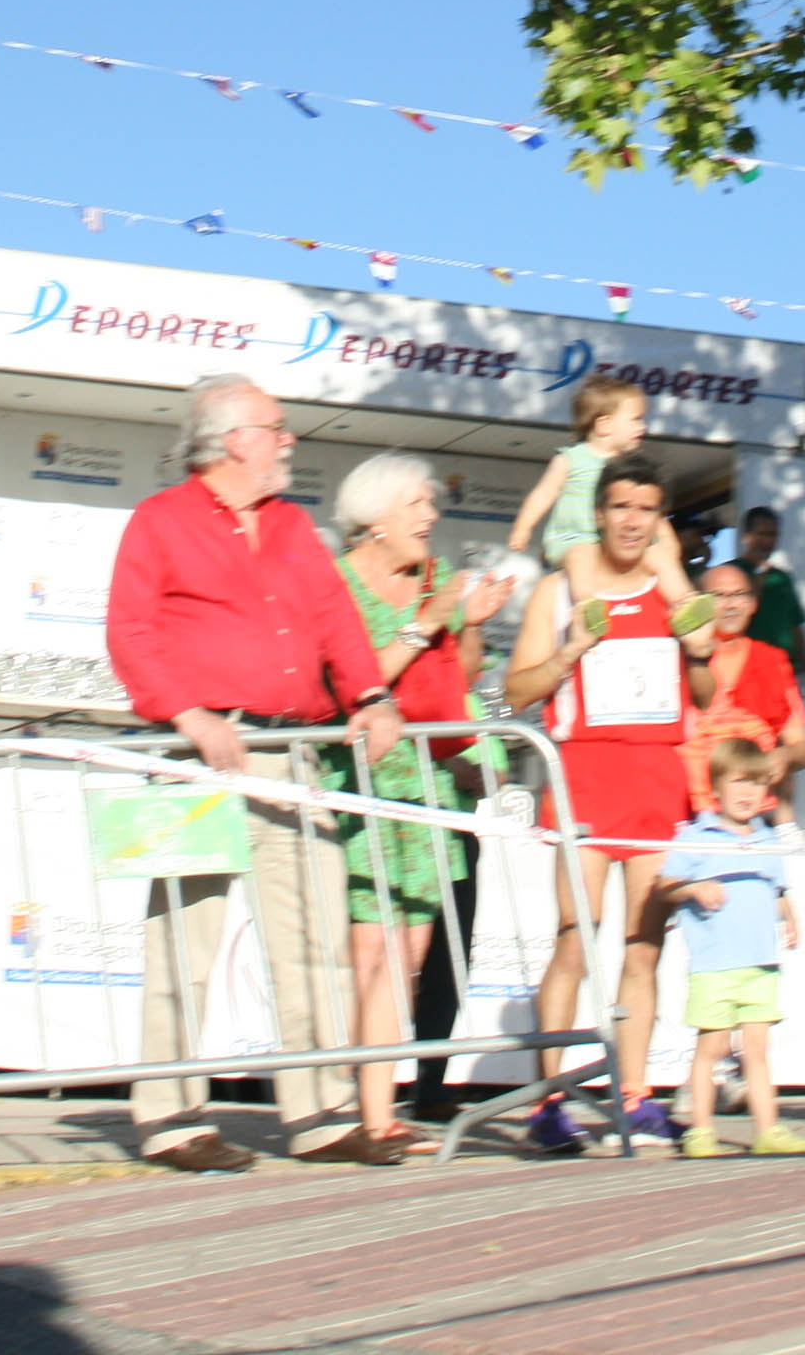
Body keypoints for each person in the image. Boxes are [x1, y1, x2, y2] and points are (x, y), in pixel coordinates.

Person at [103, 375, 408, 1172]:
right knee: (183, 940)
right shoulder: (159, 520)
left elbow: (336, 619)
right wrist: (188, 715)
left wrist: (372, 694)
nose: (288, 440)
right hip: (197, 754)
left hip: (295, 750)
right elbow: (130, 631)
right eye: (277, 427)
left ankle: (324, 1113)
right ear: (234, 438)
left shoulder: (294, 526)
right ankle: (171, 1118)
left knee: (312, 935)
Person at [502, 457, 704, 1153]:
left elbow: (706, 684)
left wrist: (701, 647)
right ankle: (548, 1104)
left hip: (656, 790)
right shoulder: (560, 591)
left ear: (658, 520)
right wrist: (569, 653)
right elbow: (519, 691)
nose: (631, 521)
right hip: (583, 786)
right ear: (598, 512)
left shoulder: (676, 596)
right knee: (574, 946)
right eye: (620, 507)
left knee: (643, 953)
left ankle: (636, 1096)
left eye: (646, 509)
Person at [326, 452, 508, 1152]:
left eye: (431, 505)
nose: (431, 517)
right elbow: (359, 679)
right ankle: (339, 1107)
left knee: (407, 955)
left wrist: (468, 622)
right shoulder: (337, 582)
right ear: (374, 521)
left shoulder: (437, 580)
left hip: (427, 783)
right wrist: (428, 617)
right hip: (360, 780)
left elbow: (457, 679)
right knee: (365, 950)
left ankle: (380, 1115)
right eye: (415, 506)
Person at [662, 736, 805, 1157]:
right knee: (712, 1048)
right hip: (715, 965)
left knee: (757, 1052)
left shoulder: (766, 841)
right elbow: (663, 887)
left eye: (756, 784)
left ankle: (768, 1130)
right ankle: (701, 1130)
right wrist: (694, 888)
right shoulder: (696, 836)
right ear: (717, 787)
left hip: (761, 964)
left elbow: (777, 889)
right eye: (738, 783)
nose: (747, 794)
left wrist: (791, 918)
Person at [511, 376, 696, 615]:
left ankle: (686, 605)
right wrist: (523, 527)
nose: (643, 428)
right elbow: (544, 494)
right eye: (635, 420)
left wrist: (667, 541)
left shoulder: (632, 469)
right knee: (582, 556)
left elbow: (649, 510)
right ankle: (588, 610)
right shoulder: (572, 459)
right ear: (605, 425)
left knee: (660, 556)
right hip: (575, 538)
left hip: (617, 543)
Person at [685, 560, 805, 792]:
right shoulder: (681, 660)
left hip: (752, 809)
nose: (730, 605)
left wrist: (785, 756)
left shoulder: (773, 661)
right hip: (691, 803)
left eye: (739, 595)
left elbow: (802, 748)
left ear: (753, 604)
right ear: (701, 603)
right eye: (719, 596)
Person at [733, 507, 805, 685]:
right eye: (762, 534)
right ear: (746, 536)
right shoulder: (731, 573)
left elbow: (796, 627)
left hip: (787, 671)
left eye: (773, 535)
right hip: (749, 671)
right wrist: (759, 572)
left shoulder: (782, 577)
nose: (768, 541)